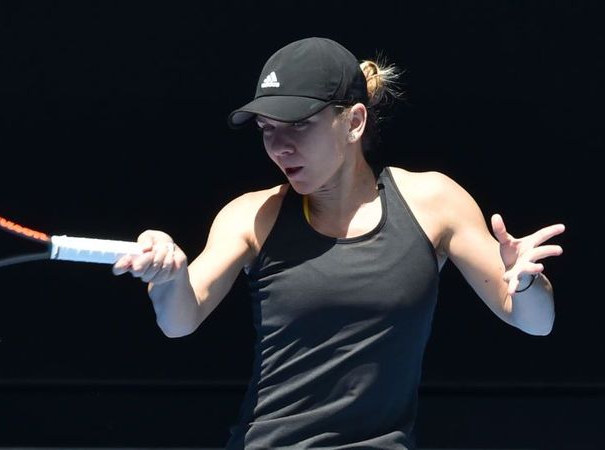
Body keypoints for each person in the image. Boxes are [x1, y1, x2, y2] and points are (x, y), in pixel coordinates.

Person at [112, 37, 565, 449]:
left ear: (354, 122)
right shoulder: (252, 214)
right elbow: (179, 320)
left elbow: (535, 322)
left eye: (298, 125)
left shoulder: (433, 202)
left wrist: (525, 283)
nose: (279, 146)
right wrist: (168, 277)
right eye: (266, 129)